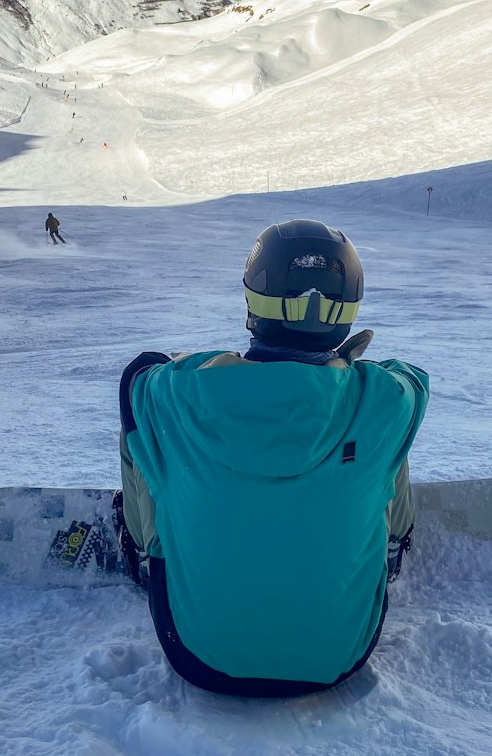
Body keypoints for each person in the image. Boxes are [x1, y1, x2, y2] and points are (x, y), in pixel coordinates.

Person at [115, 219, 429, 697]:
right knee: (382, 437)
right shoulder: (383, 396)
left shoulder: (179, 395)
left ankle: (142, 539)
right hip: (339, 654)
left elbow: (140, 374)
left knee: (143, 426)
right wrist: (346, 369)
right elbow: (408, 380)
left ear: (254, 298)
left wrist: (202, 364)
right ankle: (395, 537)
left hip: (199, 654)